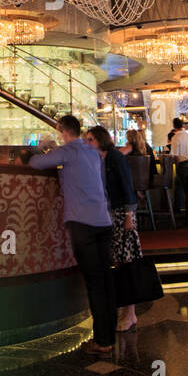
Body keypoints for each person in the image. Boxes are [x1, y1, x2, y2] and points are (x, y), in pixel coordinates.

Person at [29, 114, 116, 353]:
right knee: (106, 280)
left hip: (82, 223)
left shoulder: (67, 152)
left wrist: (44, 151)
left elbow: (35, 164)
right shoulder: (92, 152)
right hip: (103, 221)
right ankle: (109, 335)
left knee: (95, 283)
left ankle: (103, 340)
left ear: (61, 131)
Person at [87, 126, 148, 332]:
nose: (88, 143)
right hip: (109, 214)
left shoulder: (115, 158)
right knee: (117, 261)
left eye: (91, 139)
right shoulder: (99, 159)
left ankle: (129, 313)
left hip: (122, 214)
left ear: (100, 140)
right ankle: (124, 311)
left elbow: (126, 187)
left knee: (126, 263)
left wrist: (129, 216)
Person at [169, 117, 188, 216]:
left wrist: (177, 166)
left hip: (183, 165)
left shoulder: (175, 137)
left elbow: (175, 156)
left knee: (182, 188)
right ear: (182, 125)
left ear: (174, 126)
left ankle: (179, 212)